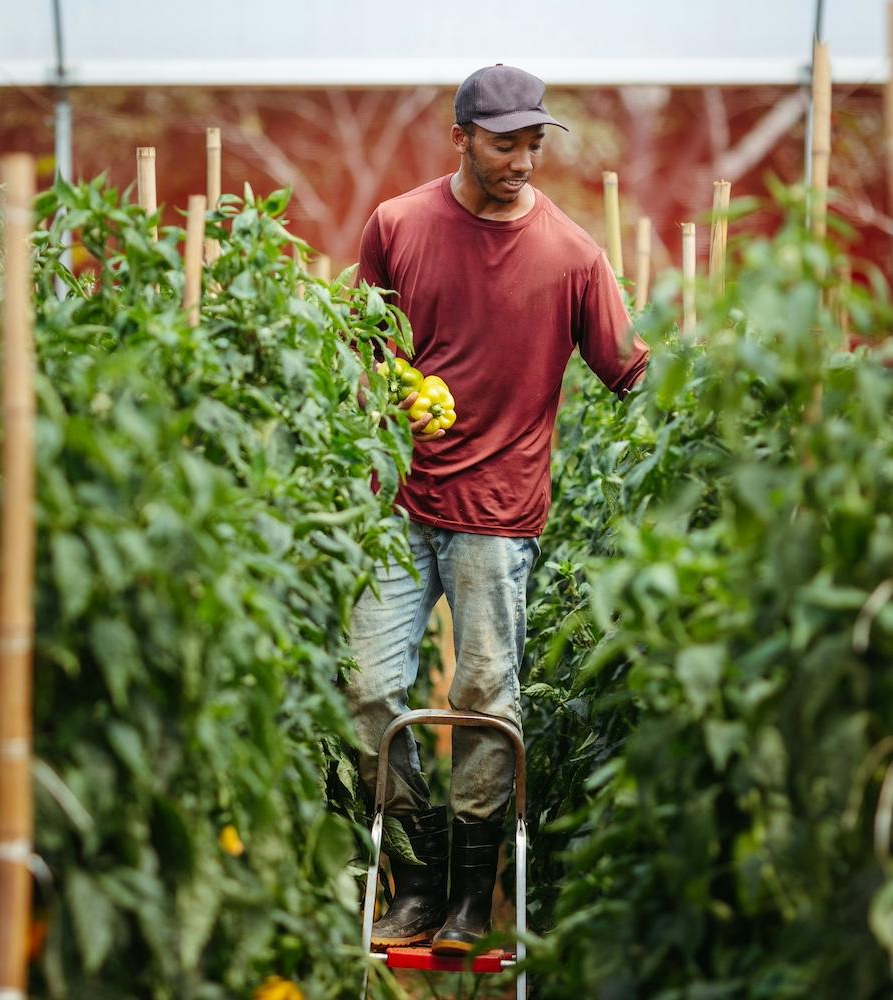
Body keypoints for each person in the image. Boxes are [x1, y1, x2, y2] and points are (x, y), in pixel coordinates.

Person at [350, 64, 649, 956]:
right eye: (504, 141)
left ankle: (473, 899)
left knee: (483, 697)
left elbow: (629, 374)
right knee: (367, 690)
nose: (523, 159)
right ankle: (414, 881)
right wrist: (398, 386)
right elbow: (361, 343)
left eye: (532, 142)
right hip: (399, 500)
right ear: (461, 139)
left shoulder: (572, 256)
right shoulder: (398, 226)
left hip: (498, 513)